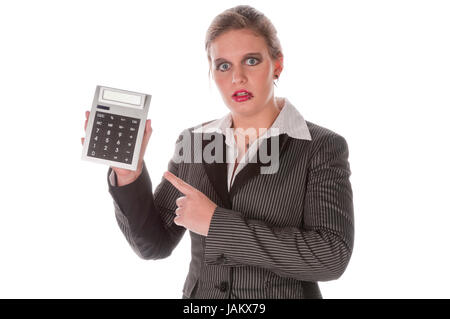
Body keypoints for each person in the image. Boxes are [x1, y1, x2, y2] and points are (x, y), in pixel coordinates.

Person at [81, 5, 354, 299]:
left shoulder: (321, 146)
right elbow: (154, 244)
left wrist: (216, 223)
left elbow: (330, 256)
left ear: (277, 65)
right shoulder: (195, 143)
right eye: (223, 66)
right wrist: (128, 176)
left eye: (251, 60)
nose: (237, 77)